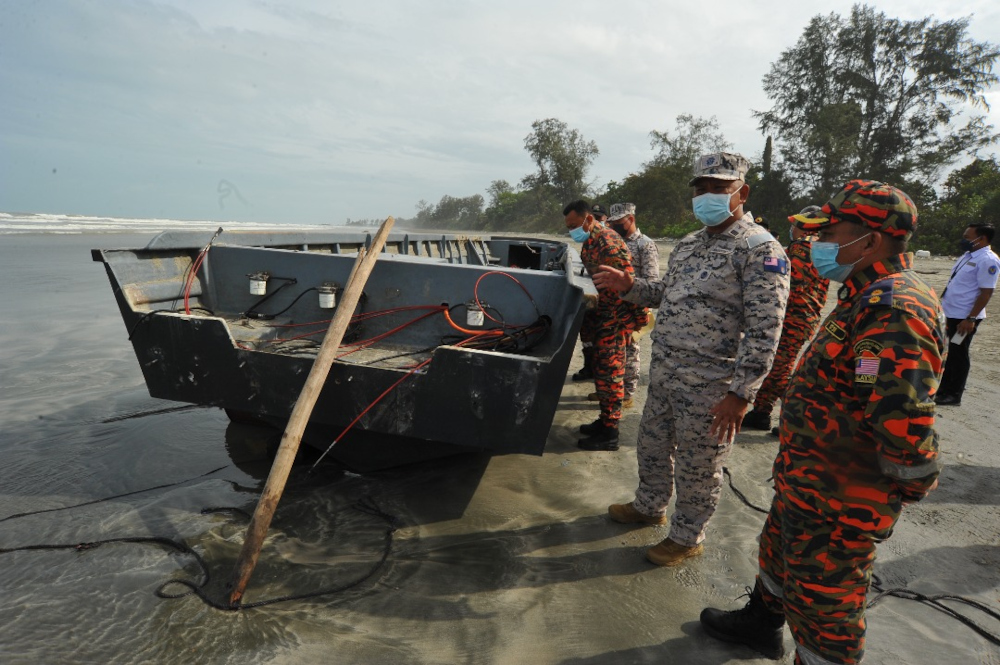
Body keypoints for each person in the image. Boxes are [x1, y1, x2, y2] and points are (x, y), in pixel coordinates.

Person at [700, 180, 946, 664]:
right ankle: (760, 624)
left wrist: (908, 483)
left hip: (842, 498)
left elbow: (903, 419)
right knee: (777, 557)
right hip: (810, 479)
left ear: (871, 240)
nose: (819, 245)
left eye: (830, 233)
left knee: (826, 608)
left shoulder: (895, 307)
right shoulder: (863, 294)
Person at [592, 152, 790, 566]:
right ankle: (649, 506)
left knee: (699, 464)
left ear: (742, 192)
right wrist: (630, 286)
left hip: (712, 384)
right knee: (651, 446)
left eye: (719, 188)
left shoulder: (761, 250)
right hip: (665, 373)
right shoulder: (689, 243)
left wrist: (741, 394)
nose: (707, 196)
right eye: (701, 189)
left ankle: (686, 536)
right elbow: (666, 295)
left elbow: (765, 329)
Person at [563, 200, 647, 451]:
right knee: (602, 374)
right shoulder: (591, 241)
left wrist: (633, 325)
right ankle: (604, 420)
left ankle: (610, 433)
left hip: (615, 319)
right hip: (602, 317)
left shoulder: (608, 243)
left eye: (574, 225)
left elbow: (626, 287)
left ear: (589, 219)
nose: (572, 231)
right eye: (568, 227)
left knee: (611, 376)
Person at [743, 206, 831, 430]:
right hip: (804, 316)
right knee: (776, 368)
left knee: (780, 372)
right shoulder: (822, 247)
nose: (793, 228)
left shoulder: (803, 246)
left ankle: (803, 417)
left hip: (793, 316)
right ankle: (762, 412)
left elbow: (791, 280)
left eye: (797, 224)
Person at [586, 202, 660, 408]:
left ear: (631, 219)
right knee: (615, 354)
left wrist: (632, 290)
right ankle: (612, 391)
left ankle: (626, 394)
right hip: (614, 306)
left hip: (635, 306)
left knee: (631, 351)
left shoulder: (645, 245)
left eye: (619, 222)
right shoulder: (612, 240)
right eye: (613, 222)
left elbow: (652, 281)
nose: (615, 226)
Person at [936, 223, 999, 406]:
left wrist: (970, 318)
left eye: (968, 237)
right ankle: (943, 390)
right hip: (951, 312)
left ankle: (954, 394)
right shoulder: (969, 255)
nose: (964, 239)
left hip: (964, 317)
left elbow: (986, 293)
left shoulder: (988, 260)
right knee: (950, 353)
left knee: (958, 354)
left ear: (982, 238)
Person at [570, 209, 610, 383]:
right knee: (587, 338)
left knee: (606, 347)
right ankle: (589, 368)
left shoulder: (608, 240)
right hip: (591, 301)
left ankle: (606, 383)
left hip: (607, 304)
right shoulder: (588, 242)